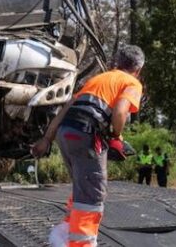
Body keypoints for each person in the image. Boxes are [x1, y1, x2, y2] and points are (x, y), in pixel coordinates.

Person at [32, 45, 145, 247]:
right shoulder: (132, 82)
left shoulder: (99, 79)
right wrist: (116, 136)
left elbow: (66, 106)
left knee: (82, 186)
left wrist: (46, 139)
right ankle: (80, 244)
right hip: (86, 134)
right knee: (93, 192)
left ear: (118, 63)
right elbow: (120, 112)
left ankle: (65, 232)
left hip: (65, 133)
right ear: (138, 70)